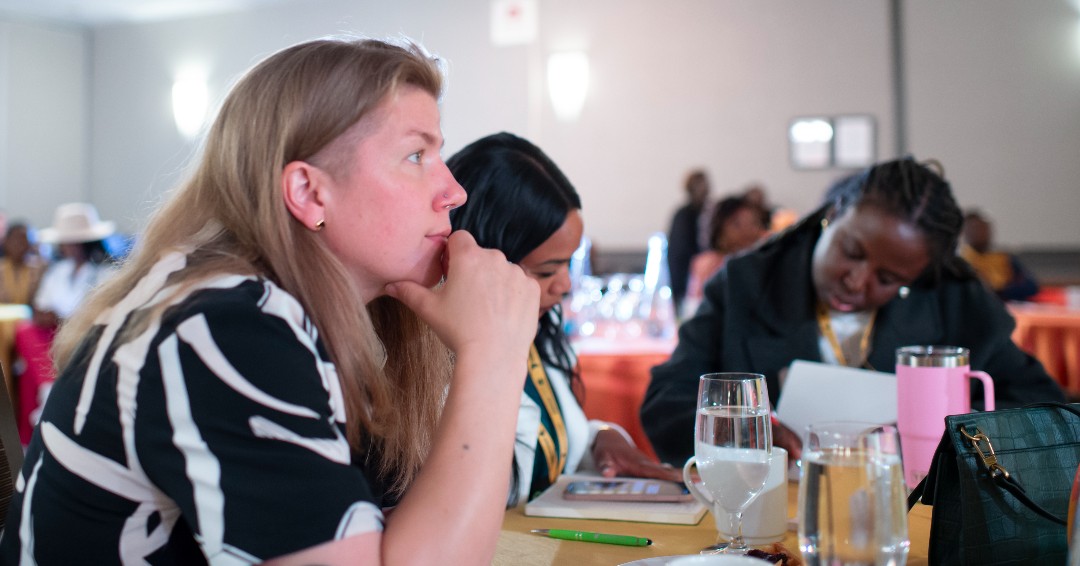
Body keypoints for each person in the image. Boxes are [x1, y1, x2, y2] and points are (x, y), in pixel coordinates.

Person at [0, 37, 540, 565]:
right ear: (308, 193)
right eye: (417, 154)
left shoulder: (297, 318)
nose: (454, 191)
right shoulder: (221, 325)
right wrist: (493, 353)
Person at [641, 157, 1065, 466]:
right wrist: (739, 431)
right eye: (851, 252)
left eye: (888, 278)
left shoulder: (954, 298)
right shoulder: (747, 284)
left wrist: (949, 432)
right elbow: (666, 400)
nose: (857, 282)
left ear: (917, 277)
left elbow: (1042, 408)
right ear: (832, 215)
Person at [447, 132, 680, 505]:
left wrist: (600, 436)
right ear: (486, 257)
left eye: (568, 264)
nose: (566, 286)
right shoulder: (436, 357)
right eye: (546, 271)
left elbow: (547, 439)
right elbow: (480, 486)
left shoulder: (539, 332)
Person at [14, 203, 117, 443]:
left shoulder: (105, 273)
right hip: (50, 334)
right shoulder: (58, 270)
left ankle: (47, 388)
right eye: (66, 241)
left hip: (82, 334)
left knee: (30, 362)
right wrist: (44, 315)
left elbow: (100, 313)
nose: (68, 247)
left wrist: (62, 318)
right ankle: (48, 385)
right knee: (25, 330)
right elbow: (40, 305)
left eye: (73, 241)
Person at [682, 195, 768, 318]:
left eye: (754, 223)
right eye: (737, 224)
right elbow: (694, 311)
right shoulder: (709, 263)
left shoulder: (760, 262)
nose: (749, 231)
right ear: (720, 229)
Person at [960, 210, 1039, 302]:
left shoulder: (1004, 257)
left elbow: (1031, 286)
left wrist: (1001, 291)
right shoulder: (961, 262)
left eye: (984, 229)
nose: (981, 233)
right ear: (965, 232)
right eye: (975, 229)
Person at [667, 169, 711, 313]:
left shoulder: (707, 212)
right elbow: (681, 251)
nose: (704, 189)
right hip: (686, 277)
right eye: (700, 185)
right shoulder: (684, 215)